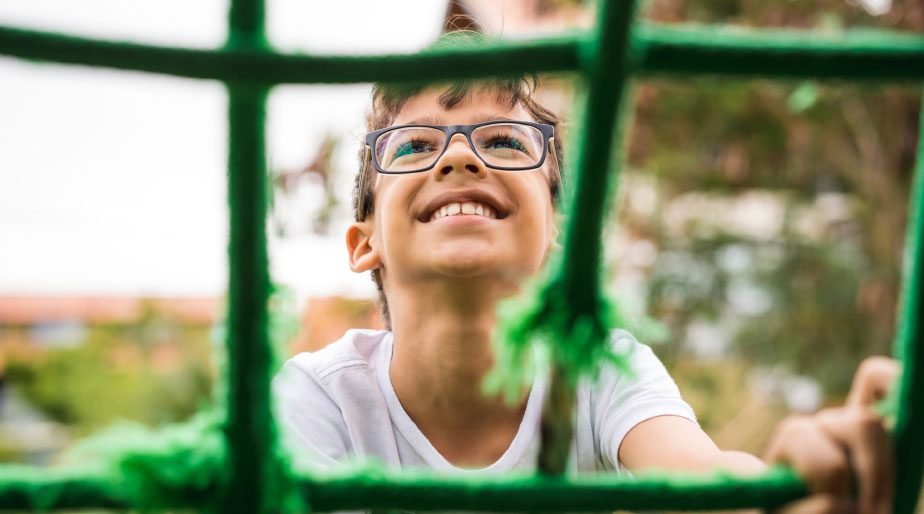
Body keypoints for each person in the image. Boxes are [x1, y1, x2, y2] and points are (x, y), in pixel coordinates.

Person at [273, 32, 900, 514]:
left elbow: (700, 479)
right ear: (365, 242)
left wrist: (784, 486)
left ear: (556, 236)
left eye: (504, 142)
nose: (460, 156)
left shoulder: (599, 370)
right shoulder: (320, 399)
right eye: (414, 145)